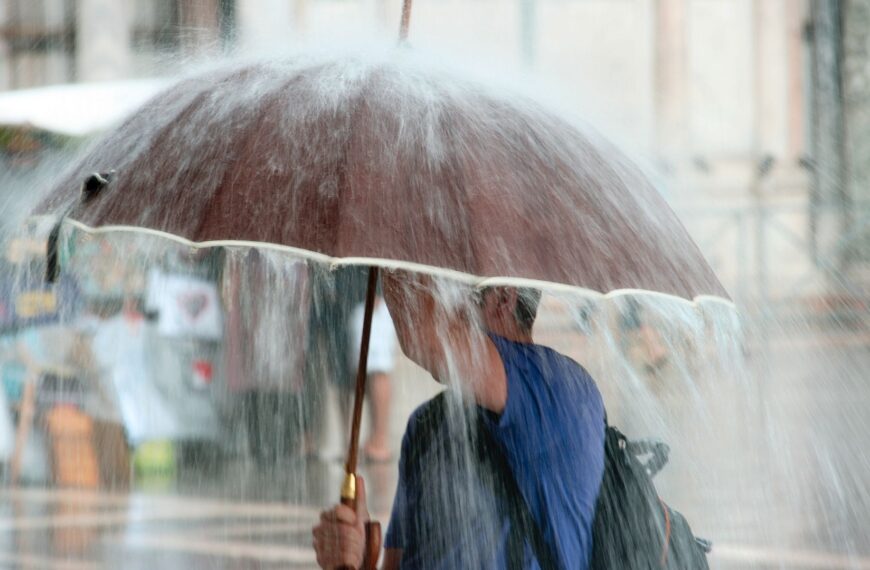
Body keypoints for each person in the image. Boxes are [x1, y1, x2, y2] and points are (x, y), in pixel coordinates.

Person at [313, 272, 606, 569]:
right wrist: (355, 560)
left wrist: (388, 247)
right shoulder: (428, 422)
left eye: (450, 287)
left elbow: (424, 335)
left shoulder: (560, 388)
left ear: (504, 297)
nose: (441, 302)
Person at [345, 295, 397, 462]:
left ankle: (380, 442)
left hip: (370, 296)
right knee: (367, 369)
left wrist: (377, 292)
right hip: (353, 297)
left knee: (377, 367)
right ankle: (374, 439)